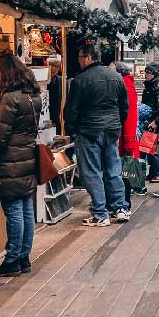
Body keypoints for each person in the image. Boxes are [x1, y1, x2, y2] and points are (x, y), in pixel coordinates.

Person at [0, 53, 41, 278]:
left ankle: (13, 259)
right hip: (25, 157)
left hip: (10, 161)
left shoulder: (10, 98)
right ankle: (23, 256)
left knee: (14, 210)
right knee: (25, 208)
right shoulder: (32, 95)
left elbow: (0, 135)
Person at [64, 42, 128, 227]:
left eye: (80, 57)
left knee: (92, 172)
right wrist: (117, 125)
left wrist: (72, 130)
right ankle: (120, 208)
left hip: (88, 131)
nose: (79, 61)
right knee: (113, 170)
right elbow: (124, 107)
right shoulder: (116, 77)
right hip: (111, 130)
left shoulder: (81, 79)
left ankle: (100, 212)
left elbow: (71, 110)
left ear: (88, 58)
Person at [110, 62, 141, 219]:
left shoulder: (125, 88)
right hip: (124, 139)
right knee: (122, 173)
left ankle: (124, 205)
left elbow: (129, 118)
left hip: (125, 140)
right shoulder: (126, 85)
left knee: (124, 173)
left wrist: (128, 142)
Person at [141, 62, 159, 183]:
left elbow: (157, 105)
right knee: (148, 148)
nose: (145, 75)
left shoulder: (156, 87)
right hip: (148, 119)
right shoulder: (148, 86)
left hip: (154, 120)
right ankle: (152, 172)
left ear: (153, 74)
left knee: (155, 149)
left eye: (148, 72)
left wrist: (153, 117)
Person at [46, 55, 62, 133]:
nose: (53, 69)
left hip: (57, 115)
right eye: (51, 65)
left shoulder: (61, 81)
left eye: (56, 67)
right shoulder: (42, 79)